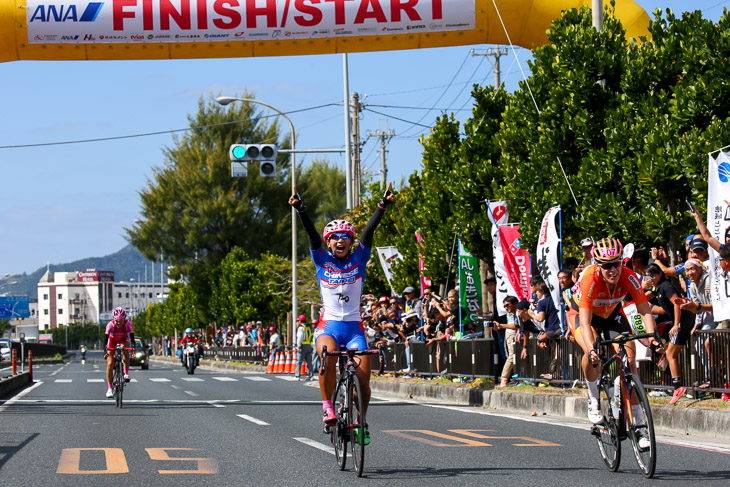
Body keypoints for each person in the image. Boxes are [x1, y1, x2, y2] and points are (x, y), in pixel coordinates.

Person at [289, 182, 394, 446]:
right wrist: (301, 209)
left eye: (344, 237)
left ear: (350, 241)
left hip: (355, 329)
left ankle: (361, 420)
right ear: (329, 243)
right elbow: (312, 235)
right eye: (334, 237)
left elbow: (369, 233)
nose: (340, 240)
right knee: (327, 357)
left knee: (363, 380)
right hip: (330, 327)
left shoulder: (359, 259)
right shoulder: (322, 260)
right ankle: (327, 406)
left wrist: (382, 206)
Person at [573, 238, 661, 444]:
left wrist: (652, 338)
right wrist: (591, 348)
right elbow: (585, 323)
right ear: (597, 265)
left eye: (616, 264)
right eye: (606, 265)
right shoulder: (590, 280)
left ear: (622, 262)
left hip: (612, 315)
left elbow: (645, 310)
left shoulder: (630, 277)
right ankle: (594, 398)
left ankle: (639, 427)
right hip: (585, 317)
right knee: (592, 352)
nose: (612, 269)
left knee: (631, 363)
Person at [643, 263, 695, 404]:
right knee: (668, 351)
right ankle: (674, 384)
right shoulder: (657, 288)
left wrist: (676, 324)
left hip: (684, 320)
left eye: (653, 275)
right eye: (649, 276)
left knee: (671, 355)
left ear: (660, 274)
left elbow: (676, 303)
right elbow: (640, 297)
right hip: (677, 322)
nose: (651, 278)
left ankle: (677, 387)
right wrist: (642, 286)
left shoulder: (665, 286)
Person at [103, 307, 135, 398]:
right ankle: (109, 388)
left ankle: (126, 373)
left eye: (120, 321)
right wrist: (105, 351)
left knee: (125, 349)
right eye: (116, 321)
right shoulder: (110, 325)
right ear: (113, 319)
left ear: (124, 319)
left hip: (123, 340)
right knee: (109, 363)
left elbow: (132, 337)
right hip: (112, 341)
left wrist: (132, 347)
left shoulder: (128, 324)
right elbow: (105, 340)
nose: (119, 323)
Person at [294, 314, 314, 381]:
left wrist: (298, 346)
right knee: (309, 361)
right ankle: (311, 375)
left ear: (300, 321)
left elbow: (300, 337)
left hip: (302, 346)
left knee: (299, 361)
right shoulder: (307, 327)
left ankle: (297, 376)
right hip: (308, 345)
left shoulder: (301, 328)